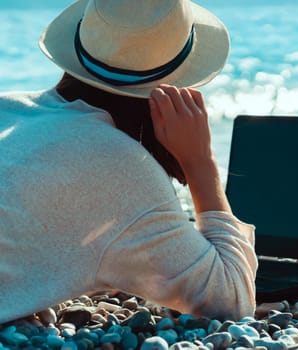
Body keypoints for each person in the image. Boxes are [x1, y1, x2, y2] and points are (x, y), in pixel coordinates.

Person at [0, 0, 257, 323]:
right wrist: (200, 163)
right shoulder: (119, 163)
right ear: (175, 89)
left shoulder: (7, 107)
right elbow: (231, 299)